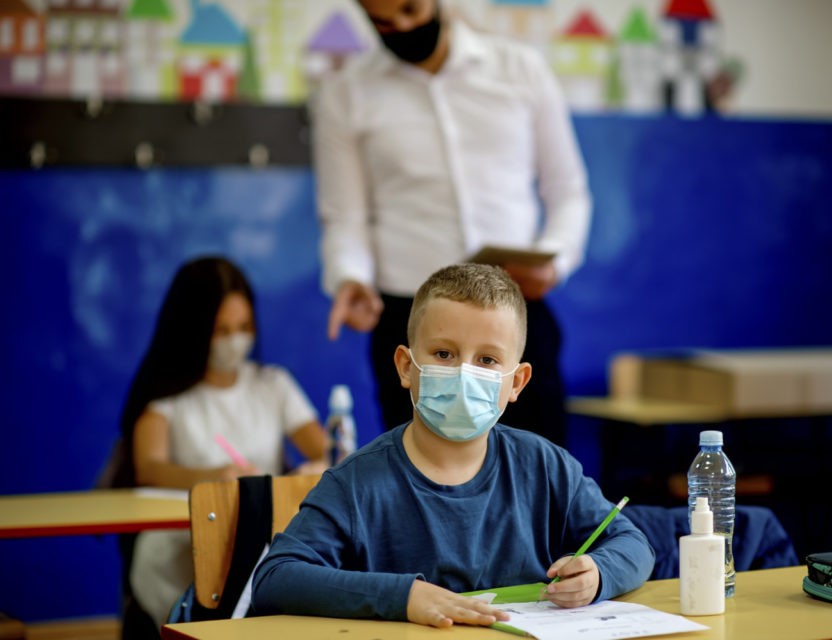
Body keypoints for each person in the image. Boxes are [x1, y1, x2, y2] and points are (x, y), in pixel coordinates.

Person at [252, 264, 653, 628]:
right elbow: (276, 578)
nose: (465, 374)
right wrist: (403, 597)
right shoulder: (356, 483)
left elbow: (634, 544)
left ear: (517, 382)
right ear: (407, 367)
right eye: (444, 354)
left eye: (488, 360)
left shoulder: (546, 466)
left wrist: (598, 574)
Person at [314, 0, 592, 446]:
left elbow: (568, 192)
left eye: (411, 9)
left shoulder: (521, 70)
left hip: (514, 308)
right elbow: (344, 215)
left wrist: (554, 263)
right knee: (417, 481)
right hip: (410, 317)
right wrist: (350, 276)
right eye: (384, 20)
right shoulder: (346, 92)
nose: (403, 26)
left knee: (537, 475)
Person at [113, 256, 330, 635]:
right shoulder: (167, 399)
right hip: (179, 557)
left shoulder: (272, 384)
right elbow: (148, 467)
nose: (235, 341)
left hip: (260, 546)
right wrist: (216, 479)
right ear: (193, 330)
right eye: (221, 330)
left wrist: (315, 466)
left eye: (244, 327)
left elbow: (321, 448)